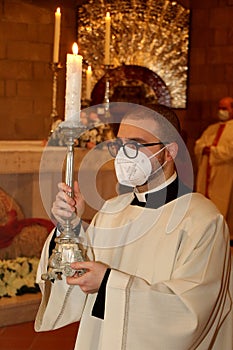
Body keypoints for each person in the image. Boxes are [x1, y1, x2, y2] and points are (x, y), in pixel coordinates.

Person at [35, 103, 232, 350]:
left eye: (136, 144)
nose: (124, 154)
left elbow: (191, 310)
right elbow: (73, 279)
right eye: (120, 144)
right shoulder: (111, 210)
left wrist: (107, 283)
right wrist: (71, 227)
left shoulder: (203, 220)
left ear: (169, 152)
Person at [194, 96, 233, 240]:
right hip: (207, 173)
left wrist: (213, 151)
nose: (221, 111)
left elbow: (230, 151)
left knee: (224, 205)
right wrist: (205, 149)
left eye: (225, 108)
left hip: (225, 175)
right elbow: (198, 145)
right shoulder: (211, 129)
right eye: (219, 108)